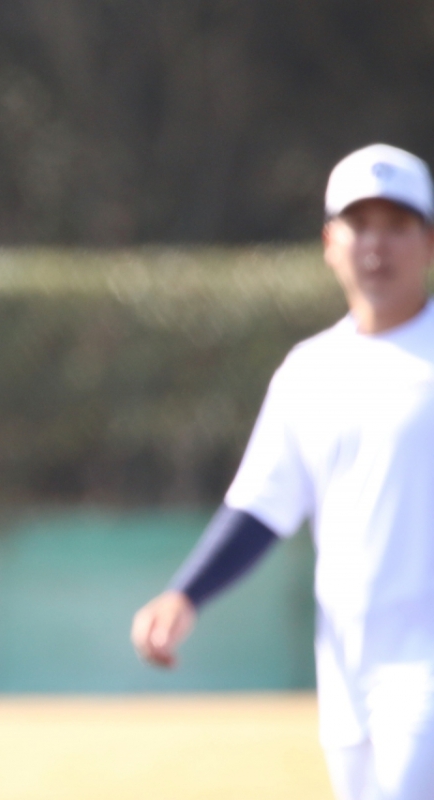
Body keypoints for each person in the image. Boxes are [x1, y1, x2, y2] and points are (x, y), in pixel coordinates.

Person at [130, 143, 434, 800]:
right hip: (347, 672)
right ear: (331, 242)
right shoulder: (310, 371)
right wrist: (187, 593)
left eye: (398, 224)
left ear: (428, 242)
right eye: (360, 224)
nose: (377, 244)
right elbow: (263, 505)